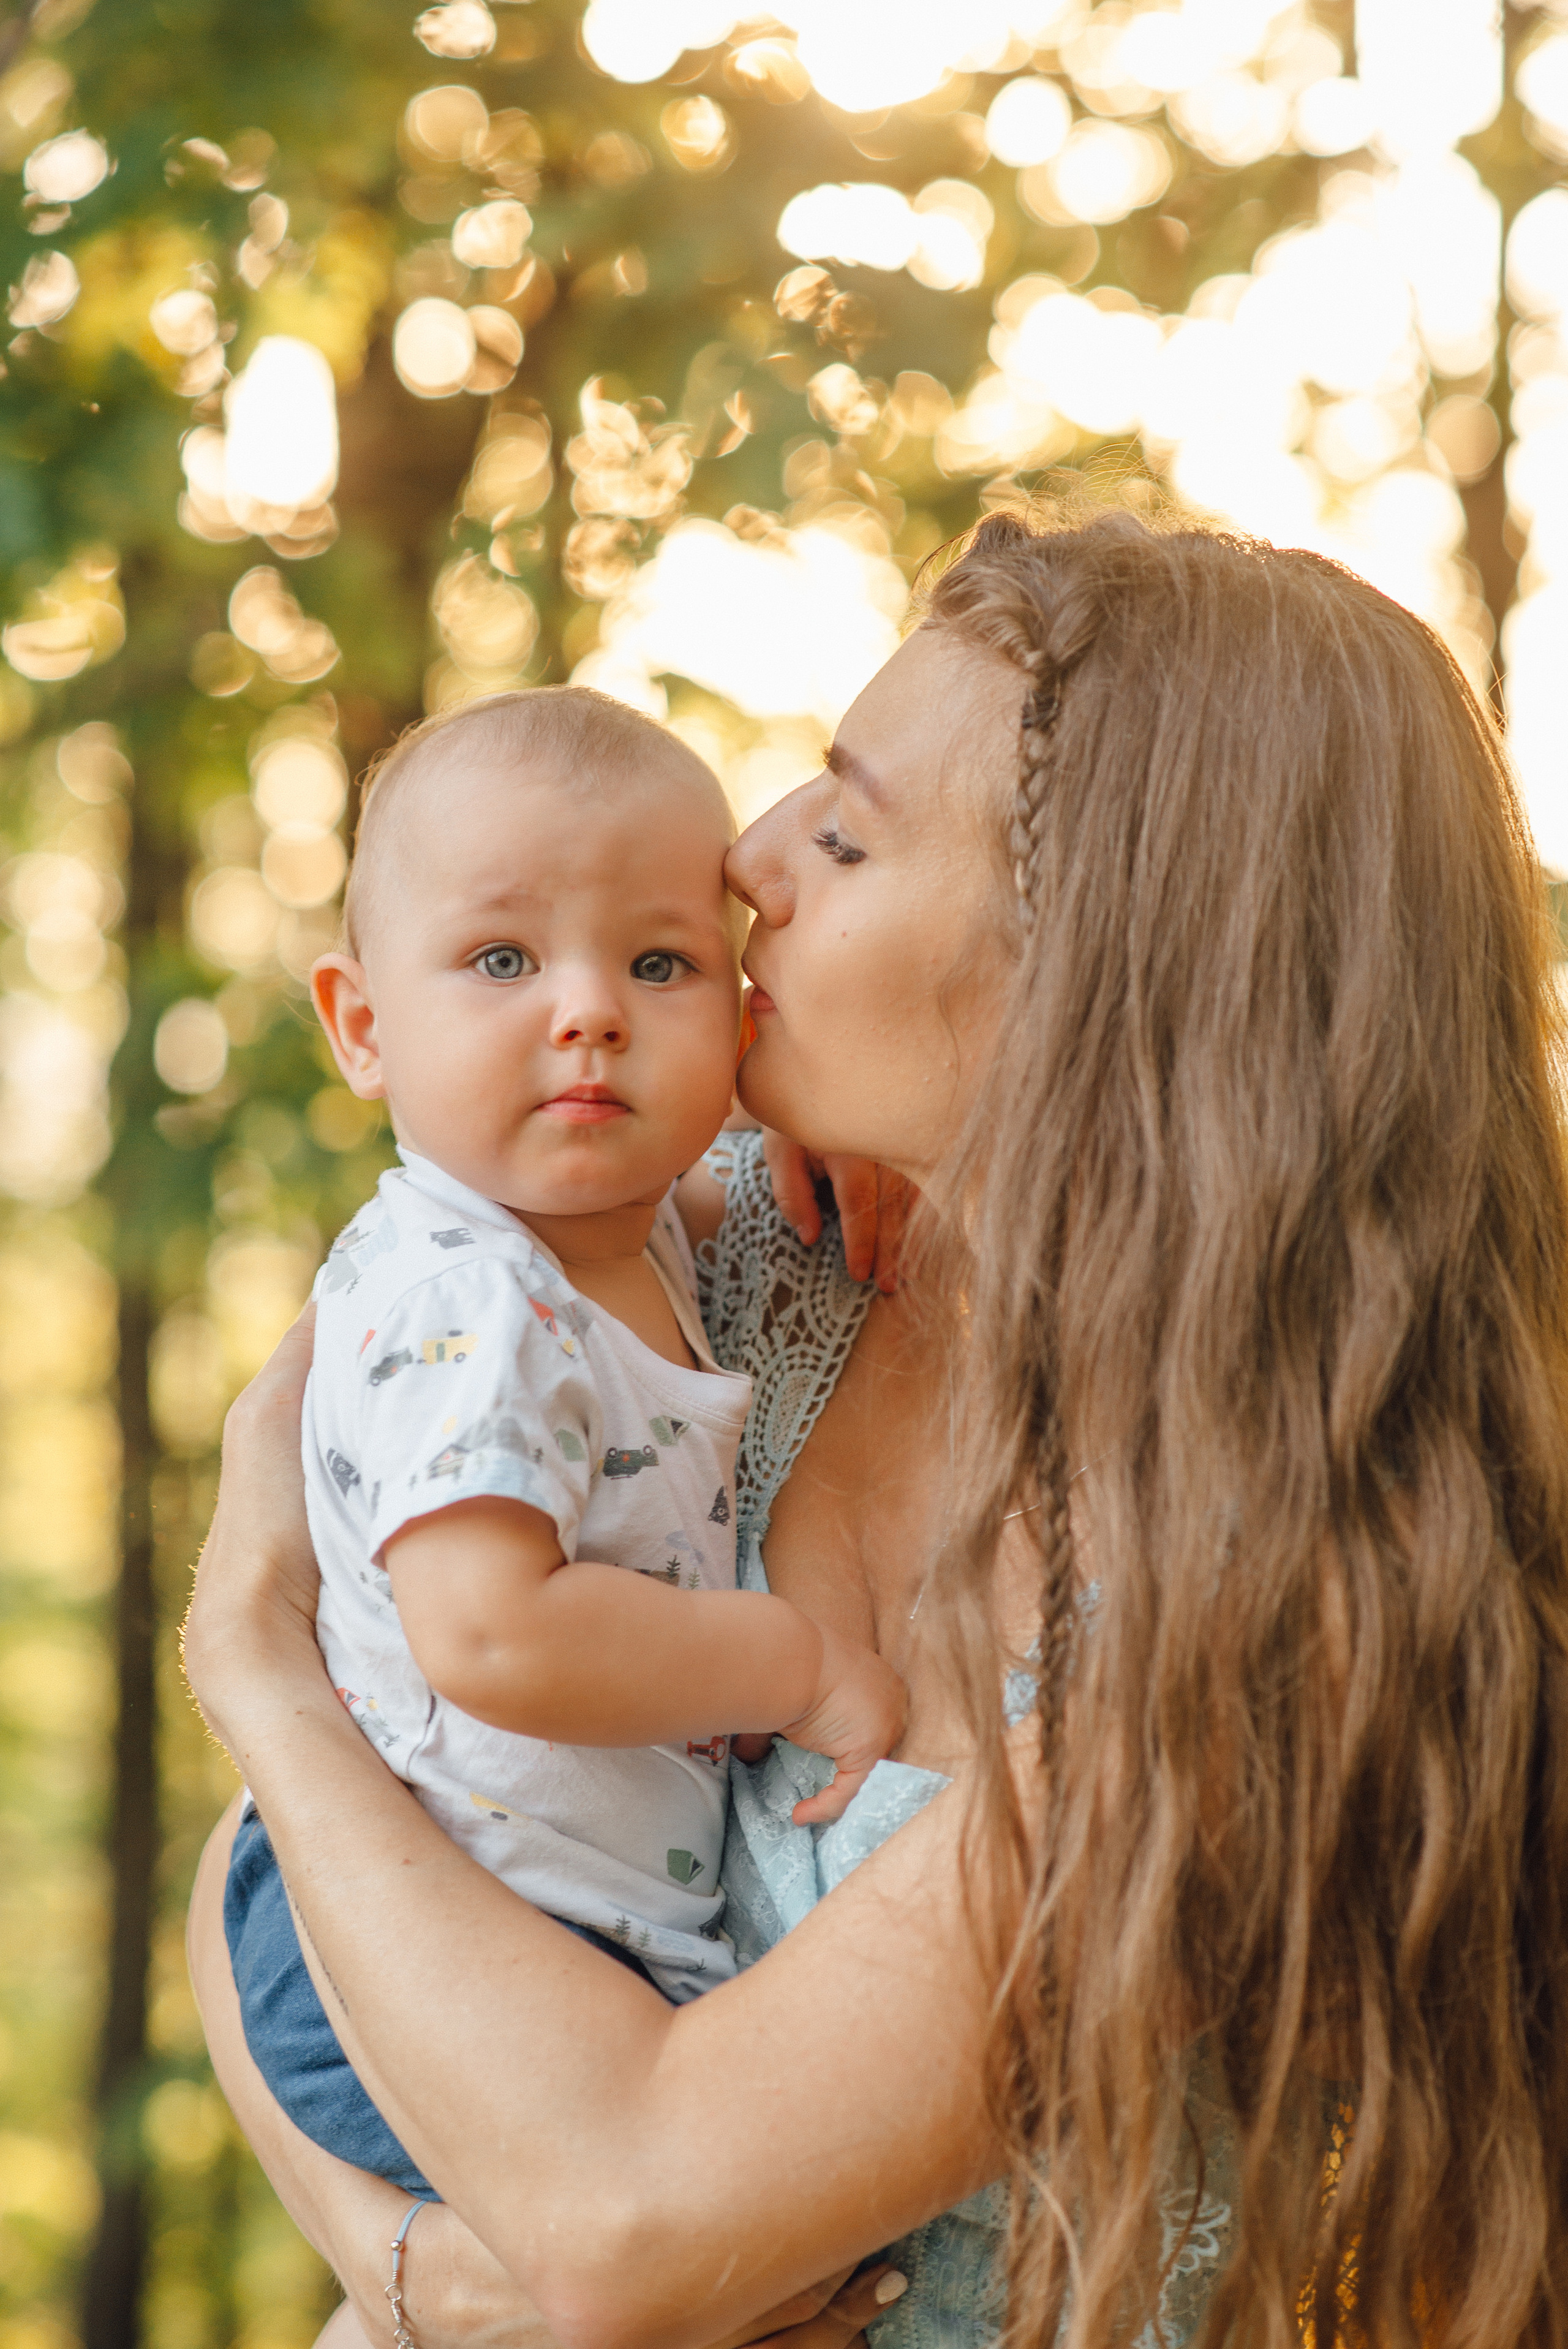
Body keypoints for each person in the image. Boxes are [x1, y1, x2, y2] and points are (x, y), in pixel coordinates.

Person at [186, 509, 1568, 2349]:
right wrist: (409, 2258)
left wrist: (251, 1663)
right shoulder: (739, 1265)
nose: (749, 860)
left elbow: (622, 2224)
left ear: (1096, 968)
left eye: (844, 832)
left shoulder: (1286, 1603)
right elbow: (275, 1879)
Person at [222, 686, 907, 2204]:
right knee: (720, 2240)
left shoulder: (616, 1239)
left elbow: (730, 1197)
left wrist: (850, 1127)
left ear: (737, 1014)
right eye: (501, 960)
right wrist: (791, 1664)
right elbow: (492, 1634)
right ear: (362, 1027)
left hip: (517, 1922)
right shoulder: (470, 1301)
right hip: (445, 1947)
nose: (587, 1007)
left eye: (659, 962)